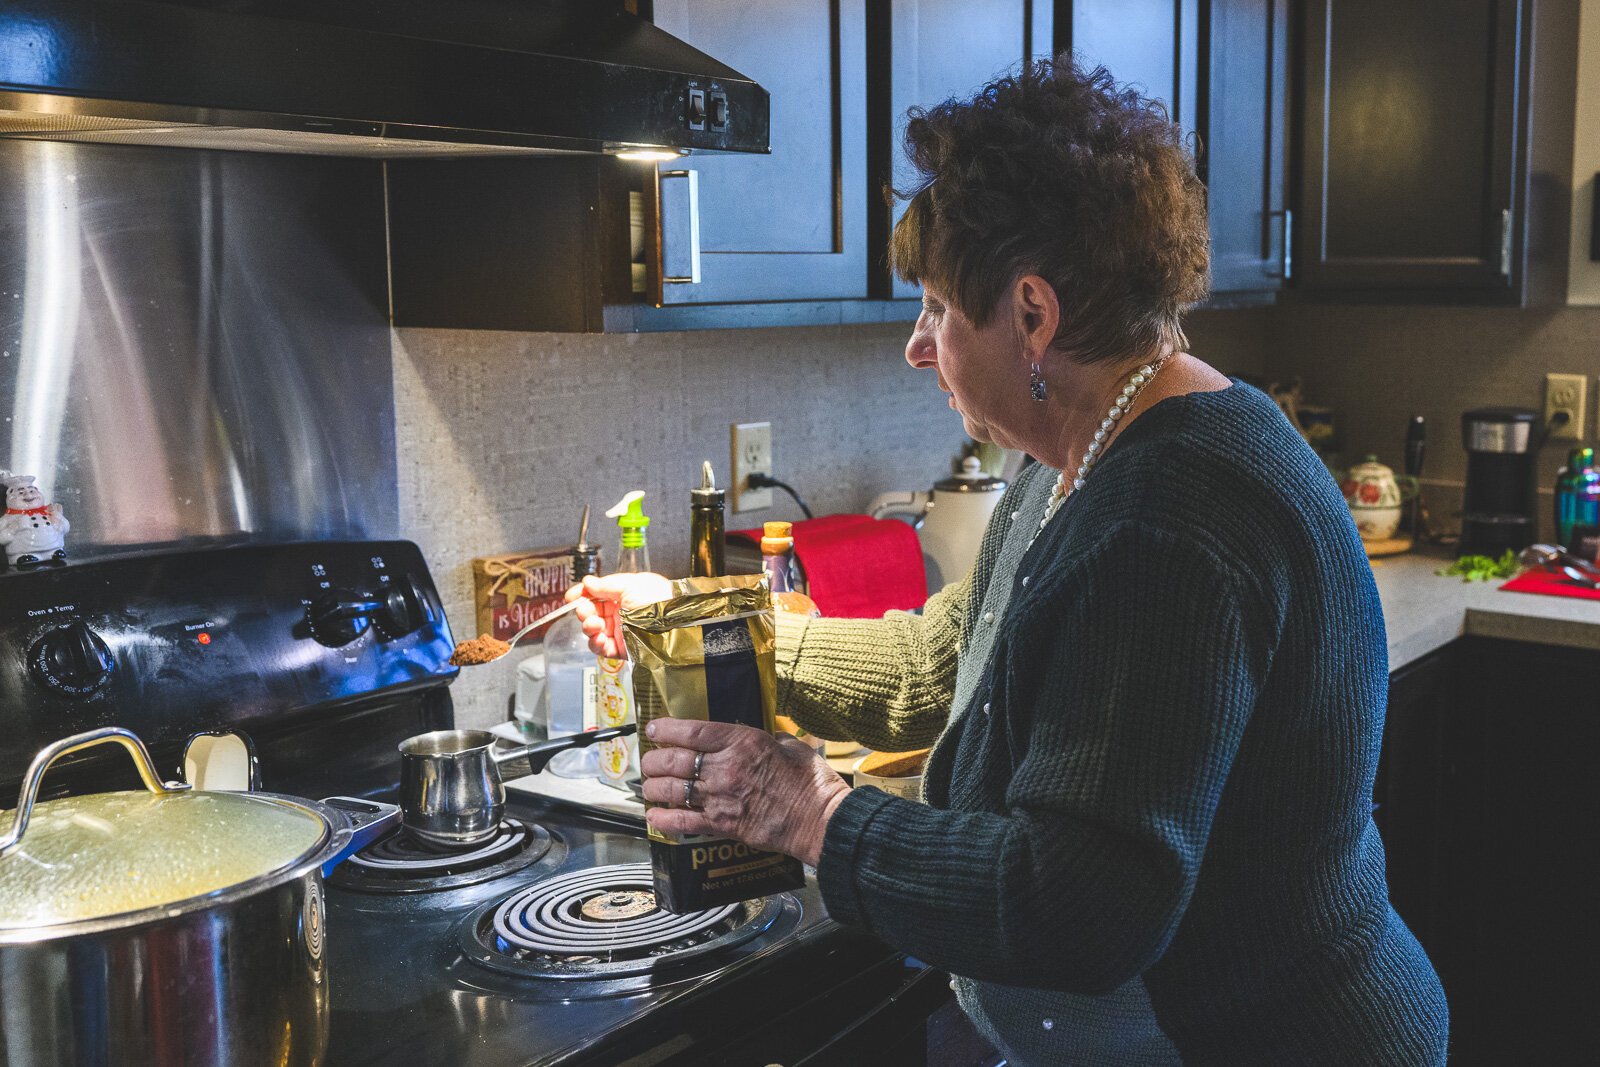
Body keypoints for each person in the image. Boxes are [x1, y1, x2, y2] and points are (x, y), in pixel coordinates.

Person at [571, 56, 1448, 1065]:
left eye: (939, 308)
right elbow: (940, 669)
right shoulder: (1084, 450)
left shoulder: (1166, 518)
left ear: (1033, 314)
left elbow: (1078, 903)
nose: (917, 346)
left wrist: (813, 809)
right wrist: (697, 614)